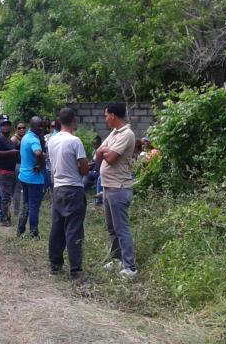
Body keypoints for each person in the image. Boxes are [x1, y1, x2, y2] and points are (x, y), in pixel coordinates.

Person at [95, 102, 138, 278]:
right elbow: (98, 153)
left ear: (113, 115)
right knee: (112, 228)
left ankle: (130, 267)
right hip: (108, 187)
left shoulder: (126, 134)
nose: (105, 119)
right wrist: (104, 150)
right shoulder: (114, 133)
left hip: (119, 187)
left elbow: (110, 158)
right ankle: (117, 259)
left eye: (106, 115)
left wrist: (104, 151)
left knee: (121, 228)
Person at [47, 108, 90, 280]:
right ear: (73, 120)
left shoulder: (52, 140)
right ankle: (76, 271)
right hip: (73, 188)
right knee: (74, 230)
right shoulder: (75, 141)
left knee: (57, 228)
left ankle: (55, 265)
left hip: (58, 188)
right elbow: (85, 168)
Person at [17, 117, 46, 238]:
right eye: (39, 126)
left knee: (26, 204)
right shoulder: (34, 139)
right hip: (34, 178)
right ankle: (34, 233)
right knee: (34, 206)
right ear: (33, 126)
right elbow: (38, 152)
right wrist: (40, 163)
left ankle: (20, 230)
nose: (41, 128)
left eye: (42, 126)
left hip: (24, 176)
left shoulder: (25, 137)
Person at [0, 119, 19, 226]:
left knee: (7, 195)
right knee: (5, 196)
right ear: (0, 127)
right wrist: (11, 152)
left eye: (8, 125)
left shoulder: (9, 140)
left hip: (10, 172)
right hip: (2, 172)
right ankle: (4, 219)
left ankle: (6, 216)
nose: (6, 127)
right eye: (4, 125)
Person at [10, 121, 27, 217]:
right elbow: (10, 153)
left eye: (23, 127)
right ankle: (16, 211)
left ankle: (21, 209)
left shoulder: (24, 138)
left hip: (23, 165)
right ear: (16, 129)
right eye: (19, 128)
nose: (22, 129)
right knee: (18, 188)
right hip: (17, 165)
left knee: (20, 188)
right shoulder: (14, 139)